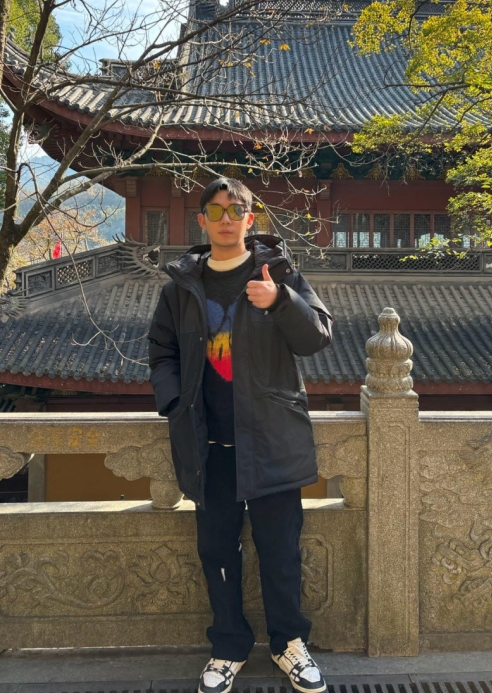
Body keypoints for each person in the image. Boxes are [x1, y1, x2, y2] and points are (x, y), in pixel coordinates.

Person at [148, 177, 333, 693]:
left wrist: (280, 300)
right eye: (215, 211)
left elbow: (318, 336)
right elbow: (161, 350)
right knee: (217, 552)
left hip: (271, 440)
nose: (226, 219)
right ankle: (228, 646)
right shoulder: (180, 288)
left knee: (280, 552)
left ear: (251, 220)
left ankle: (288, 643)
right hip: (209, 446)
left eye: (236, 211)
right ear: (202, 221)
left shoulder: (280, 273)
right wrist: (174, 402)